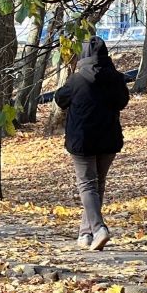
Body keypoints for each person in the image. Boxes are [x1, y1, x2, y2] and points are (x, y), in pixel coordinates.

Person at [54, 36, 130, 251]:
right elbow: (123, 102)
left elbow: (60, 99)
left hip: (82, 141)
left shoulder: (77, 80)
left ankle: (98, 228)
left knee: (87, 185)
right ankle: (85, 234)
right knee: (97, 186)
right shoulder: (116, 78)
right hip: (108, 139)